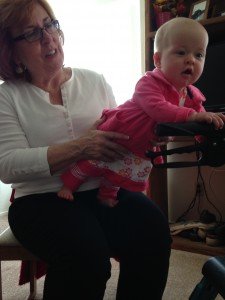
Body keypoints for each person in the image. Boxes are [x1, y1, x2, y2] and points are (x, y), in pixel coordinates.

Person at [0, 0, 172, 299]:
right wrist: (81, 147)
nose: (48, 37)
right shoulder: (7, 97)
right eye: (31, 33)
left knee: (153, 229)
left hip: (102, 190)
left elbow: (123, 133)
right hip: (39, 201)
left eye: (49, 25)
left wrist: (144, 138)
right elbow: (7, 165)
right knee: (86, 256)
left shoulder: (94, 80)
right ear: (9, 50)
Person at [58, 17, 225, 207]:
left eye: (199, 55)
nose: (191, 60)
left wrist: (206, 134)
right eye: (181, 52)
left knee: (122, 171)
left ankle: (106, 195)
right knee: (92, 163)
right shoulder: (149, 83)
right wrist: (193, 116)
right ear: (158, 60)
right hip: (120, 132)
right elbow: (158, 109)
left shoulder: (192, 95)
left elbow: (200, 122)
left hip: (141, 144)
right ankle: (68, 186)